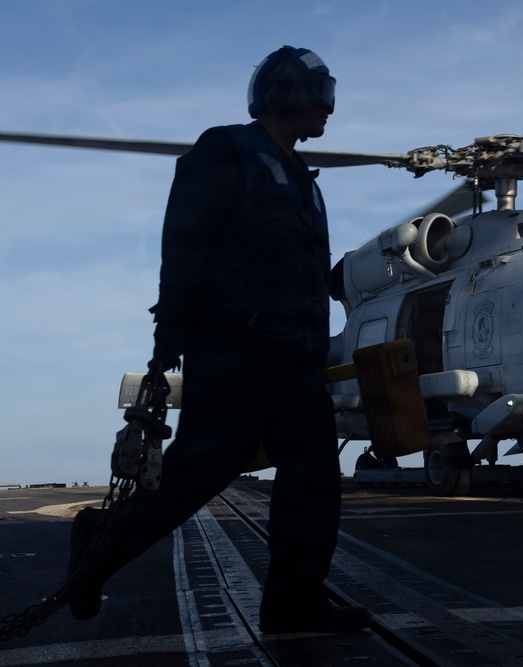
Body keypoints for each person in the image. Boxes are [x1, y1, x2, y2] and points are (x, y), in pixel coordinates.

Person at [66, 46, 372, 634]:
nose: (329, 108)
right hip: (235, 349)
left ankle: (293, 602)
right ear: (283, 93)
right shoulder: (225, 151)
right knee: (200, 471)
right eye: (320, 93)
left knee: (313, 475)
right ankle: (97, 545)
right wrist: (167, 344)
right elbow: (183, 249)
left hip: (293, 359)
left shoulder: (304, 182)